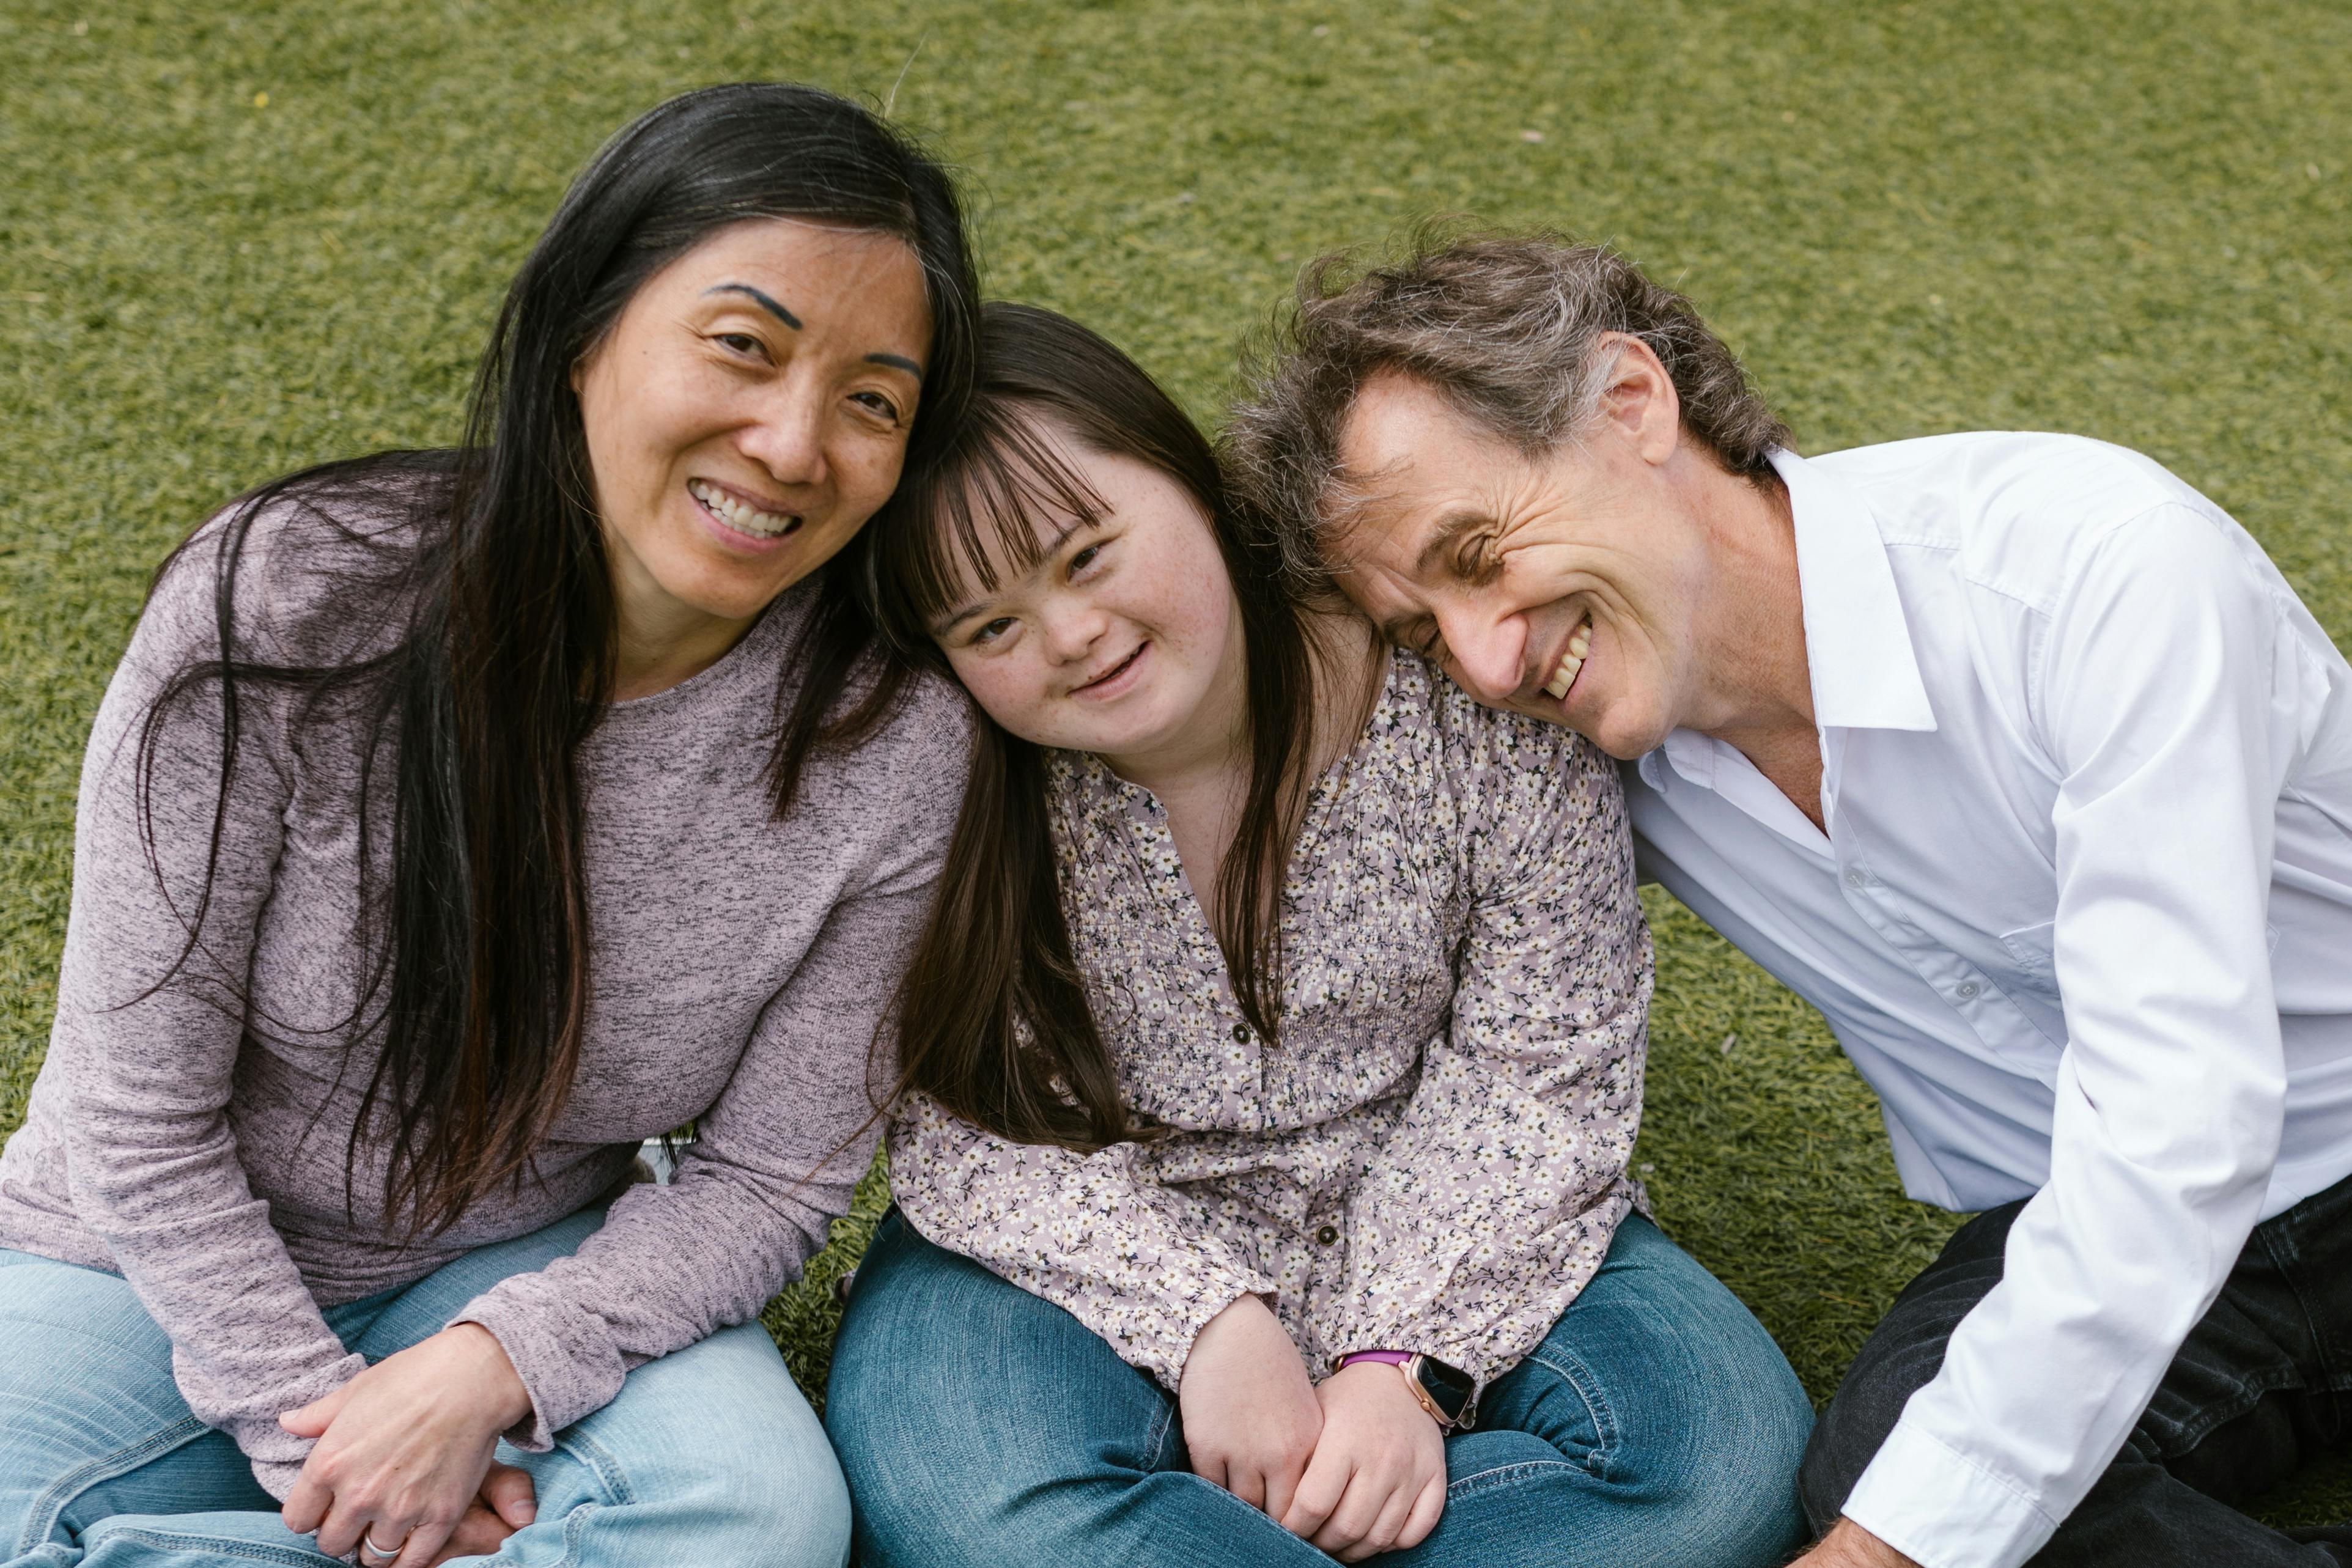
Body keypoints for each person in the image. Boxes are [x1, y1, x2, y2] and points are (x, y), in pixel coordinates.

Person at [1218, 230, 2352, 1568]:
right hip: (2089, 1219)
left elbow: (2181, 1122)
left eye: (1478, 551)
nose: (1486, 658)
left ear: (1630, 402)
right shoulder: (1574, 752)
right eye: (1424, 632)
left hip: (2279, 1136)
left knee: (1919, 1522)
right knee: (1899, 1470)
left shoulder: (2096, 575)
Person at [0, 82, 978, 1568]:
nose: (792, 444)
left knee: (756, 1517)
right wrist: (334, 1451)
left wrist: (488, 1370)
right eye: (742, 345)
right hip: (137, 1268)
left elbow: (769, 1180)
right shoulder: (285, 597)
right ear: (585, 333)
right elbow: (137, 1116)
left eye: (872, 402)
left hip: (526, 1274)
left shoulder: (891, 744)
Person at [821, 303, 1815, 1568]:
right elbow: (963, 1119)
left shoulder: (1463, 688)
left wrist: (1402, 1361)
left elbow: (1544, 1066)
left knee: (1719, 1463)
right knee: (976, 1500)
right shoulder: (946, 772)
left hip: (1467, 1211)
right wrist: (1202, 1318)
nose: (1070, 635)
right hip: (1072, 1251)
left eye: (1088, 554)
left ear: (1189, 481)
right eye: (989, 627)